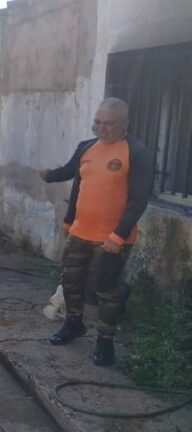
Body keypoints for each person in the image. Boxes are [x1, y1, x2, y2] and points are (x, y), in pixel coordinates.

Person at [41, 98, 153, 366]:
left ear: (125, 124)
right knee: (71, 282)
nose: (101, 128)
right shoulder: (87, 147)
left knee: (106, 291)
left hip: (112, 239)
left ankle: (105, 342)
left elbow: (139, 199)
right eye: (98, 122)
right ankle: (73, 324)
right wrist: (67, 219)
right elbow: (75, 180)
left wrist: (118, 235)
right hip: (80, 232)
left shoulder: (136, 152)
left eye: (109, 123)